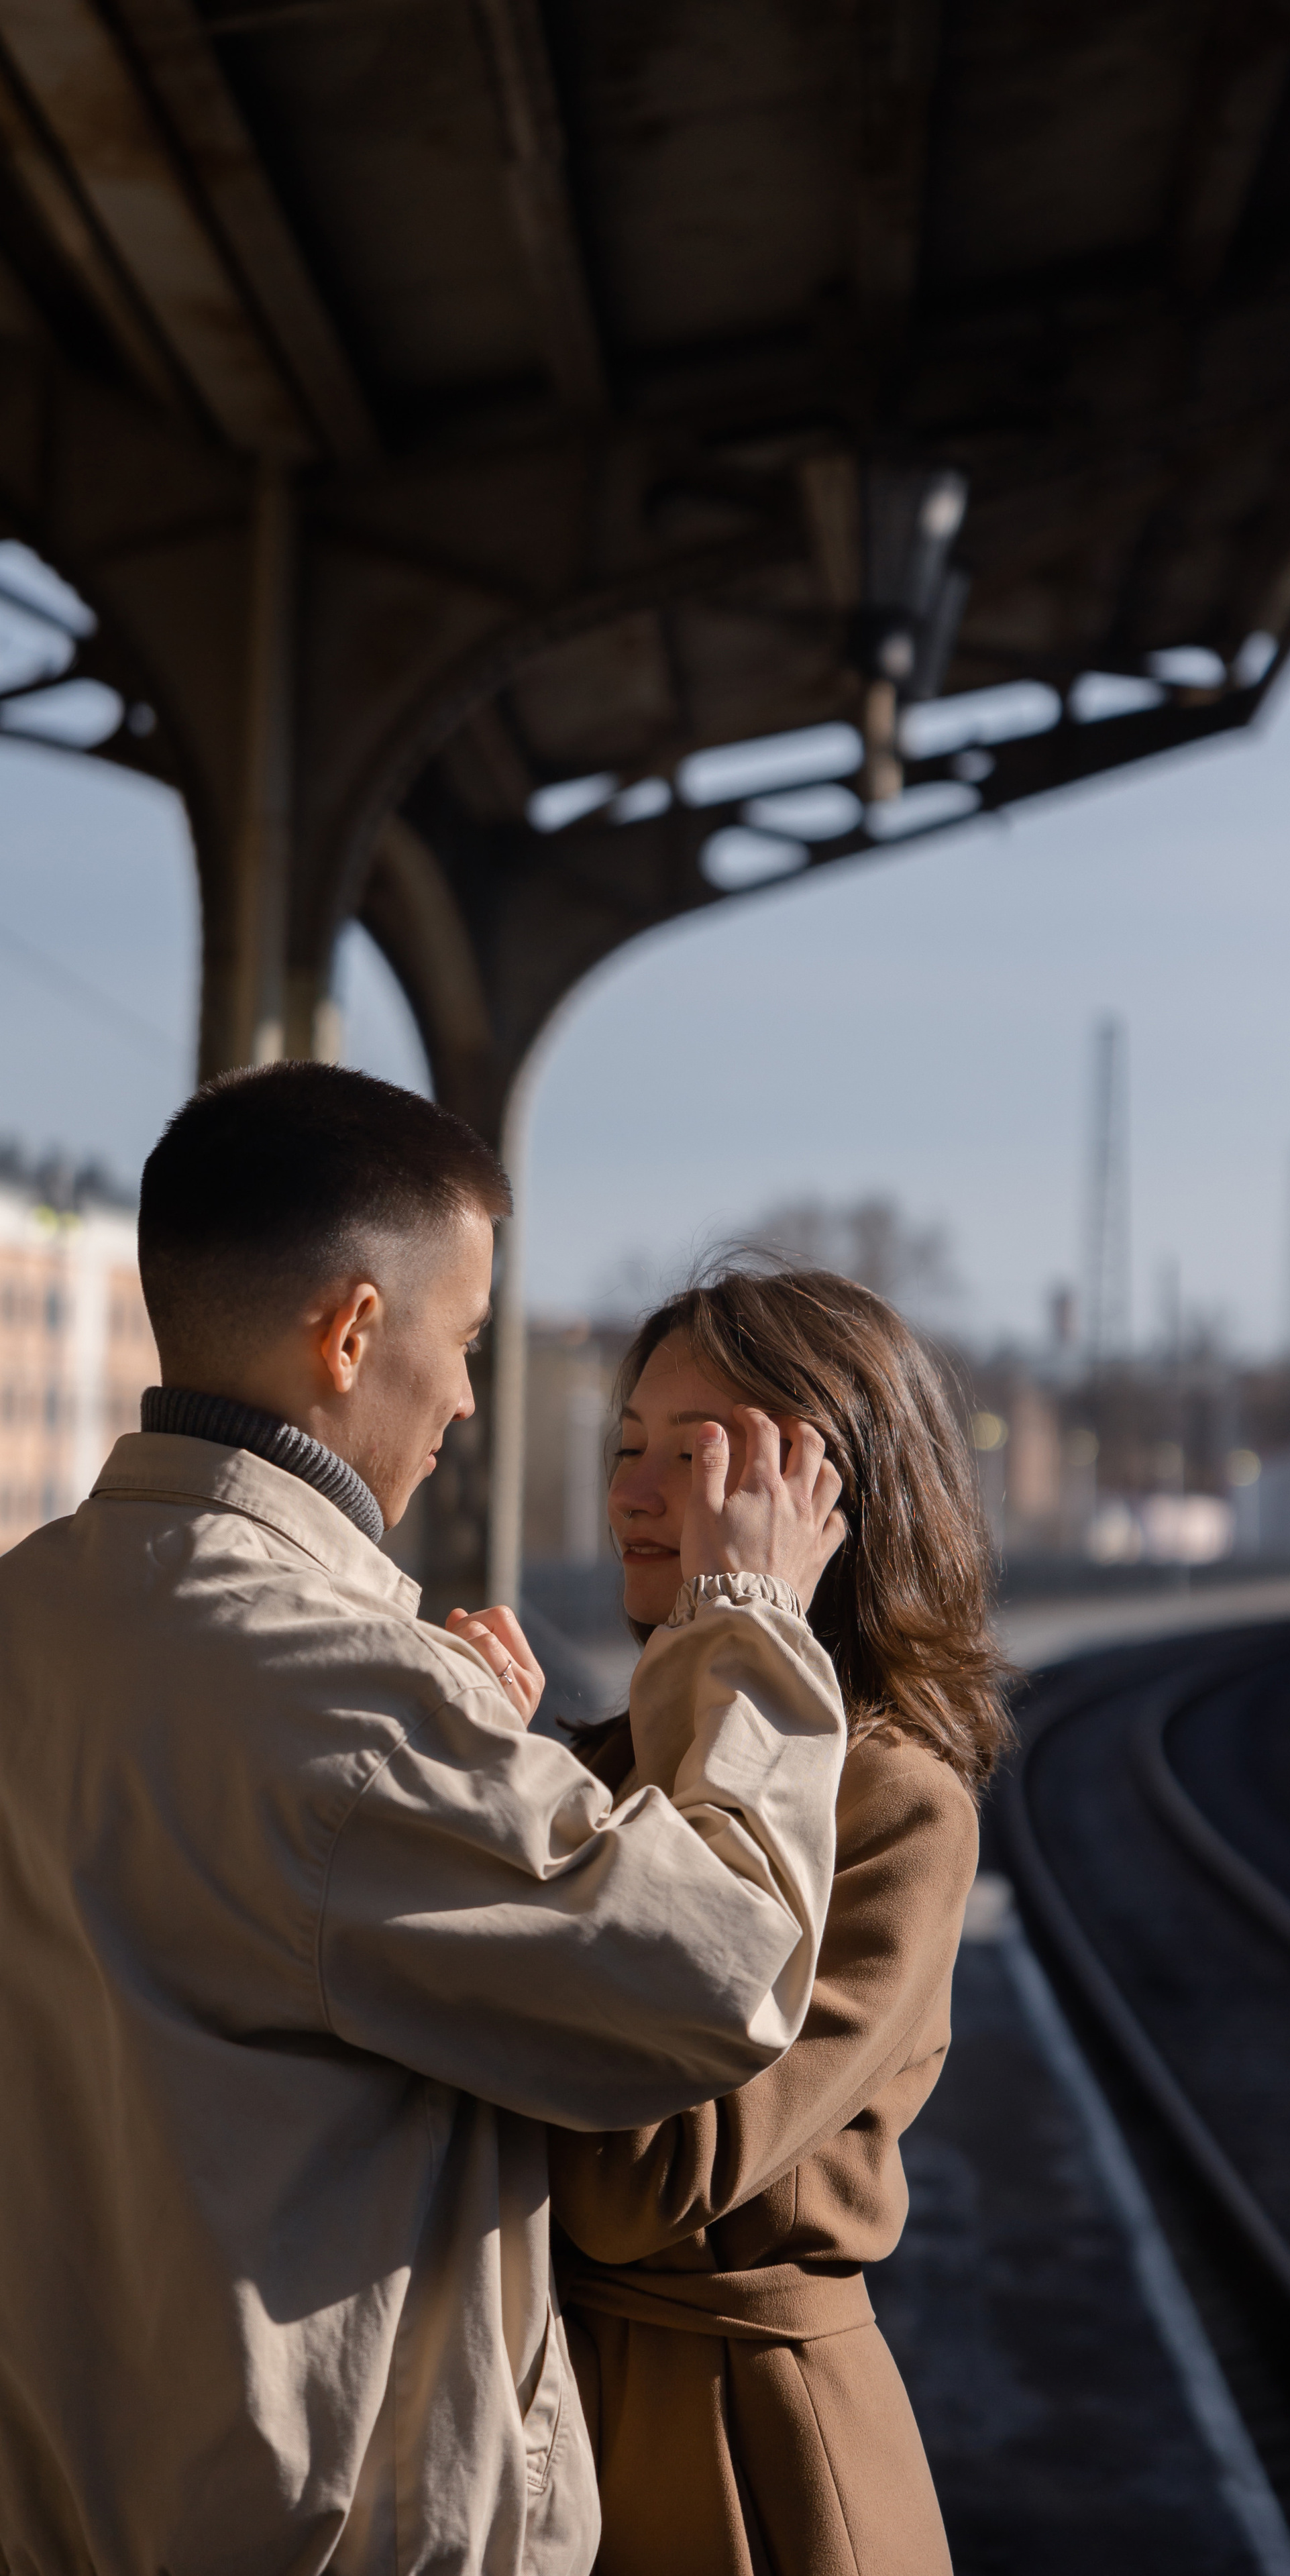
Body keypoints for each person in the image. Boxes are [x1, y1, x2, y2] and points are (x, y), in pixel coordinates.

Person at [0, 1065, 851, 2576]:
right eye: (461, 1341)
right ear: (351, 1334)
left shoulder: (41, 1612)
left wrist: (461, 1746)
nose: (467, 1398)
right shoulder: (351, 1702)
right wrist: (748, 1620)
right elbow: (721, 1970)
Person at [547, 1267, 1012, 2576]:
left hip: (746, 2464)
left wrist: (738, 1625)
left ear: (828, 1505)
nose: (636, 1496)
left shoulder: (898, 1808)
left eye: (700, 1459)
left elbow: (641, 2176)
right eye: (627, 1449)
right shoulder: (594, 1768)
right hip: (564, 2418)